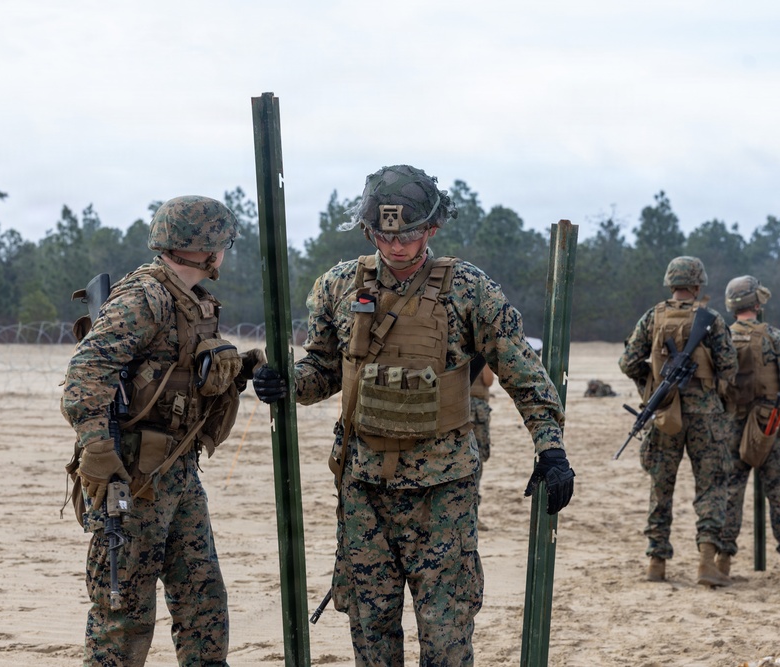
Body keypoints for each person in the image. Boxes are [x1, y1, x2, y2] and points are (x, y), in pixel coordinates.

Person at [252, 164, 575, 666]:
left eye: (407, 233)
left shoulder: (470, 289)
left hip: (442, 491)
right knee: (371, 636)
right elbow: (322, 370)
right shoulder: (339, 286)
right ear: (366, 230)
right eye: (383, 234)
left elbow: (524, 372)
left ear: (432, 228)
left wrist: (550, 447)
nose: (395, 244)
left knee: (447, 639)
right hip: (362, 488)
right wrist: (287, 383)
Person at [61, 195, 264, 666]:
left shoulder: (190, 299)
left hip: (177, 470)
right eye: (224, 244)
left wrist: (244, 369)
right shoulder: (145, 297)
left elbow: (177, 373)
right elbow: (85, 374)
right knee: (125, 609)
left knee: (203, 600)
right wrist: (97, 451)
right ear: (208, 250)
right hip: (132, 476)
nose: (226, 253)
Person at [618, 256, 737, 587]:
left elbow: (627, 361)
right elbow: (729, 367)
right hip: (706, 415)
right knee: (711, 486)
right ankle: (706, 561)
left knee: (661, 485)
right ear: (698, 286)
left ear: (671, 284)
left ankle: (656, 562)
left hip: (664, 412)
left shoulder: (653, 317)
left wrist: (652, 385)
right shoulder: (711, 320)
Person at [717, 275, 780, 581]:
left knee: (729, 494)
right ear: (756, 304)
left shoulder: (721, 338)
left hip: (731, 425)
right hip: (771, 426)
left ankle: (722, 562)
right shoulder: (774, 336)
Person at [470, 361, 495, 519]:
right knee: (477, 461)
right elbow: (489, 380)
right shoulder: (480, 351)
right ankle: (473, 515)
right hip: (476, 410)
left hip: (457, 409)